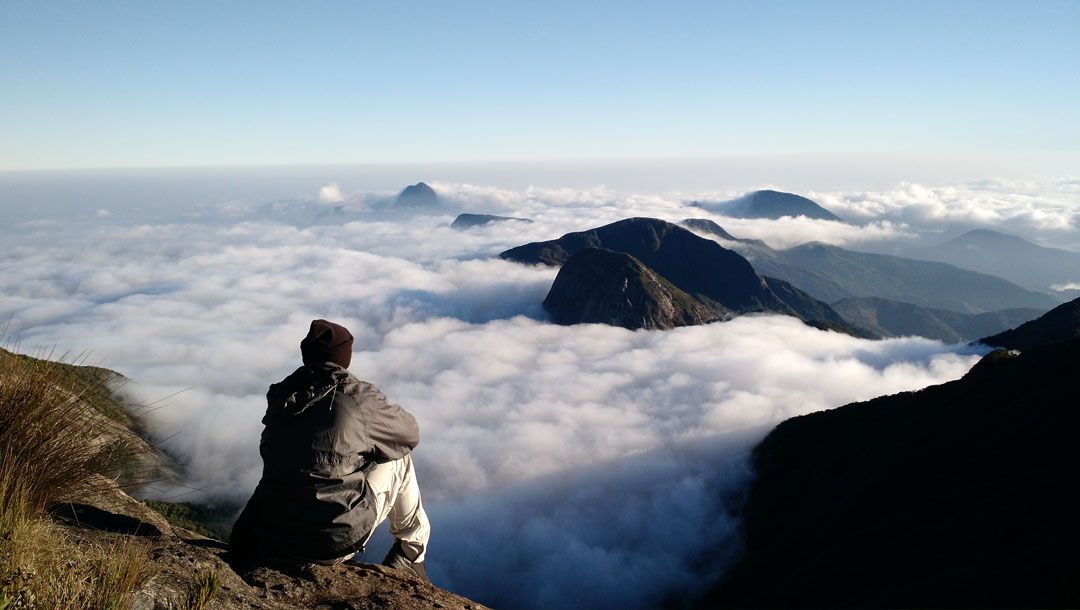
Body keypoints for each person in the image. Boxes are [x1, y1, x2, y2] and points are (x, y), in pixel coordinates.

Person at [230, 319, 431, 581]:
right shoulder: (357, 397)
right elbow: (409, 433)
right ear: (344, 357)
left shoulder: (281, 397)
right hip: (330, 540)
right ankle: (410, 555)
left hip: (268, 532)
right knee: (399, 459)